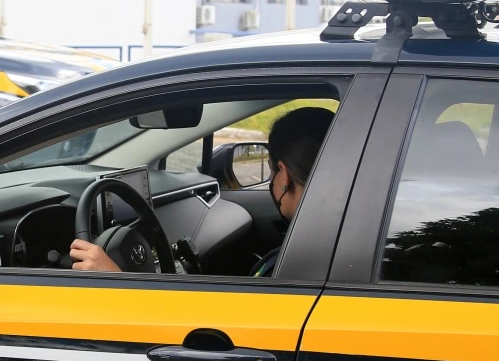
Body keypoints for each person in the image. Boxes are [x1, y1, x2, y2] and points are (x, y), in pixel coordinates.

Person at [70, 106, 335, 274]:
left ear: (283, 173)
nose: (271, 182)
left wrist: (117, 281)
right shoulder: (334, 240)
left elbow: (218, 337)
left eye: (271, 172)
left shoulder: (294, 265)